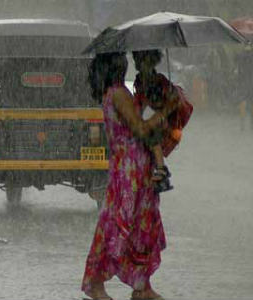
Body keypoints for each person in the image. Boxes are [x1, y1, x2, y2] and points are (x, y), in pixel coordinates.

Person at [81, 52, 178, 300]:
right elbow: (141, 128)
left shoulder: (117, 93)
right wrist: (167, 110)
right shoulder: (118, 93)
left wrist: (149, 98)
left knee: (141, 224)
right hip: (129, 171)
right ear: (115, 65)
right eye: (122, 59)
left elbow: (135, 121)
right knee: (118, 222)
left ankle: (141, 285)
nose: (127, 62)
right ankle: (95, 282)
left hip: (136, 168)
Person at [132, 50, 187, 193]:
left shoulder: (157, 79)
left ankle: (161, 169)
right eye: (137, 60)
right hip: (147, 117)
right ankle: (158, 170)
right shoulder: (140, 79)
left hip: (156, 118)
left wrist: (159, 114)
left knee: (153, 140)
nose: (138, 64)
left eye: (141, 61)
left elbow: (171, 100)